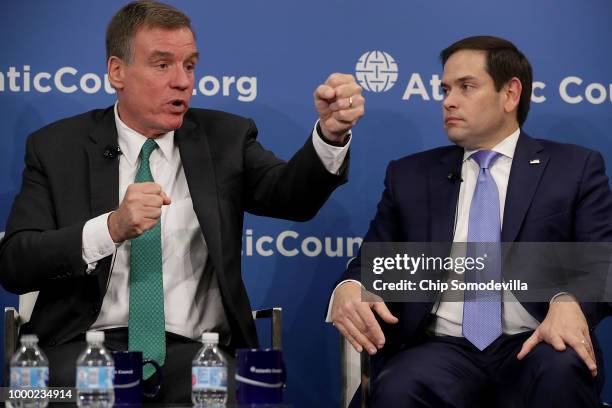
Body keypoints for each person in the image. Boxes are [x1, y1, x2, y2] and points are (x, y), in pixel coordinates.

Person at [0, 1, 364, 402]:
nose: (182, 81)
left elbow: (293, 198)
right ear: (117, 71)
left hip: (196, 353)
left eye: (189, 66)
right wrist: (109, 229)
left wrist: (329, 137)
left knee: (225, 389)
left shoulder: (224, 138)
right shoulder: (57, 148)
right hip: (85, 348)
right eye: (162, 65)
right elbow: (16, 263)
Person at [329, 35, 612, 407]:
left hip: (536, 341)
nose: (449, 100)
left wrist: (569, 301)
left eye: (466, 87)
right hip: (441, 349)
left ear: (510, 94)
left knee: (561, 369)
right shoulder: (411, 175)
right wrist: (349, 286)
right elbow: (374, 265)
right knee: (399, 387)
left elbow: (603, 260)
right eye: (445, 88)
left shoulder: (573, 168)